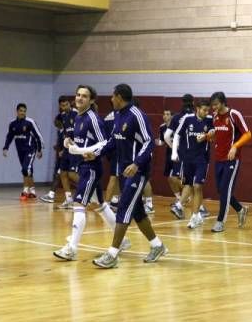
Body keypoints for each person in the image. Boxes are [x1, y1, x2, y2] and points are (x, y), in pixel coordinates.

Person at [89, 84, 167, 268]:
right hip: (124, 170)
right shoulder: (117, 115)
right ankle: (157, 245)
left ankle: (112, 254)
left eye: (112, 96)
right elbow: (112, 141)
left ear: (120, 97)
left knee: (124, 207)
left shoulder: (137, 115)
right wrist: (96, 153)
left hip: (138, 171)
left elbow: (149, 142)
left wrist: (136, 163)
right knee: (138, 211)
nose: (110, 99)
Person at [53, 85, 129, 261]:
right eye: (78, 94)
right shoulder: (77, 117)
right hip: (83, 167)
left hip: (91, 168)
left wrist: (82, 151)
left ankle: (72, 248)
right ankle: (123, 240)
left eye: (84, 96)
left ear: (92, 100)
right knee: (100, 206)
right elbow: (80, 141)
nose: (79, 98)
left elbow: (104, 142)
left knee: (79, 205)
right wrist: (68, 143)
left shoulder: (92, 119)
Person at [207, 91, 251, 232]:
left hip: (232, 159)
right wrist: (210, 135)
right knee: (221, 190)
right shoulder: (214, 116)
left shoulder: (234, 114)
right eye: (212, 105)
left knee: (225, 190)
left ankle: (220, 222)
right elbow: (216, 136)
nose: (213, 107)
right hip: (218, 158)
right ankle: (240, 209)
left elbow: (248, 134)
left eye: (216, 104)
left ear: (223, 102)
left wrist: (235, 146)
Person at [164, 94, 209, 219]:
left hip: (183, 155)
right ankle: (196, 207)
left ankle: (183, 204)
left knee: (187, 181)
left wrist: (174, 149)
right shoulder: (196, 117)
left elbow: (167, 136)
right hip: (195, 155)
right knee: (192, 182)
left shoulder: (178, 117)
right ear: (195, 104)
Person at [172, 99, 214, 228]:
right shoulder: (187, 119)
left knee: (197, 186)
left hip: (202, 159)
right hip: (188, 159)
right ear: (197, 109)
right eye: (204, 110)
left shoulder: (210, 119)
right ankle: (195, 214)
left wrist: (206, 136)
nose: (206, 112)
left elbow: (214, 133)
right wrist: (174, 152)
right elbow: (177, 135)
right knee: (189, 185)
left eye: (208, 110)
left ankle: (194, 216)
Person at [3, 103, 44, 199]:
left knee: (25, 169)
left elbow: (38, 136)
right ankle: (32, 190)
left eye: (24, 111)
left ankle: (25, 191)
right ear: (17, 111)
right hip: (20, 151)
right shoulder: (12, 124)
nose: (22, 113)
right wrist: (5, 148)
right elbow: (9, 136)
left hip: (30, 149)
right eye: (21, 111)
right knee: (28, 170)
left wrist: (39, 149)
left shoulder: (30, 122)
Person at [56, 97, 80, 209]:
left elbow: (81, 130)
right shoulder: (63, 116)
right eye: (63, 105)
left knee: (72, 174)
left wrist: (76, 144)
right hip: (67, 148)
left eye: (67, 104)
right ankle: (69, 199)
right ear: (60, 106)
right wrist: (61, 148)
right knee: (63, 173)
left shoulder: (76, 114)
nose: (65, 107)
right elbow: (65, 132)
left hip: (76, 148)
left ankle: (88, 189)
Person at [158, 109, 184, 210]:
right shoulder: (162, 127)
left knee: (175, 177)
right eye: (164, 114)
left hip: (178, 154)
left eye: (168, 114)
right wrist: (155, 142)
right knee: (169, 178)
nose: (165, 116)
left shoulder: (178, 126)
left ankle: (189, 195)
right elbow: (161, 141)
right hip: (169, 154)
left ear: (172, 116)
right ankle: (179, 198)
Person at [39, 114, 65, 203]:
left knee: (61, 176)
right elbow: (61, 143)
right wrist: (57, 146)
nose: (54, 122)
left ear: (61, 121)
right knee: (59, 175)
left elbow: (70, 143)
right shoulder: (60, 131)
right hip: (60, 158)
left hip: (66, 158)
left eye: (56, 120)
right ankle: (68, 197)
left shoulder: (66, 131)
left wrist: (64, 150)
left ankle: (51, 195)